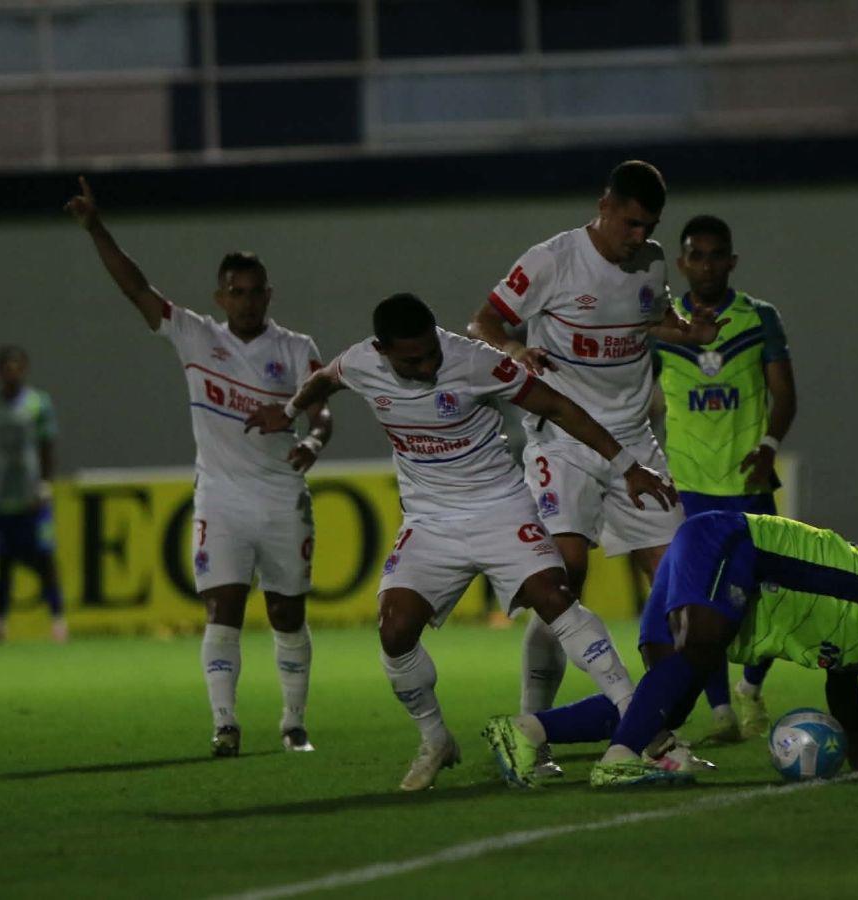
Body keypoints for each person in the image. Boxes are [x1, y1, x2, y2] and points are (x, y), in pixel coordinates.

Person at [245, 293, 677, 791]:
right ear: (382, 351)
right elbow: (325, 379)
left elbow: (555, 404)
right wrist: (291, 409)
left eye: (432, 352)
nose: (429, 365)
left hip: (500, 508)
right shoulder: (361, 362)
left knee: (556, 598)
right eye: (414, 360)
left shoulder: (474, 362)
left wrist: (627, 466)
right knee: (394, 630)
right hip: (430, 522)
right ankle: (436, 739)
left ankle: (641, 722)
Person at [467, 160, 720, 774]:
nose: (640, 236)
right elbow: (484, 321)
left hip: (634, 444)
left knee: (684, 593)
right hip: (565, 442)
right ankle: (535, 735)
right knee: (565, 578)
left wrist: (685, 333)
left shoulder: (653, 260)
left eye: (649, 226)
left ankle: (648, 728)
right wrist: (512, 349)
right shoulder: (552, 260)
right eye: (632, 223)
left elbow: (646, 319)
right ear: (605, 206)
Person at [65, 177, 332, 758]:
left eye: (256, 292)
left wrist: (310, 441)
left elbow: (324, 413)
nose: (247, 301)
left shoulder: (294, 348)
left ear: (269, 294)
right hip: (222, 497)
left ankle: (292, 722)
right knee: (224, 607)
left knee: (287, 612)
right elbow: (136, 288)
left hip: (283, 496)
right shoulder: (194, 335)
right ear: (220, 297)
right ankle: (225, 723)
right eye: (237, 292)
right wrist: (96, 228)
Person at [484, 511, 858, 787]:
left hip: (712, 554)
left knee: (667, 700)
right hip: (733, 544)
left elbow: (842, 683)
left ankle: (526, 732)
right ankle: (619, 762)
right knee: (699, 652)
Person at [655, 214, 798, 742]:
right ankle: (720, 712)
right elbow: (635, 400)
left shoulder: (760, 318)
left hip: (748, 484)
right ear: (682, 262)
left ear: (732, 262)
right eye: (698, 255)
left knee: (773, 594)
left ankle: (751, 687)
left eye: (718, 255)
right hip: (690, 486)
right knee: (699, 605)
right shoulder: (661, 327)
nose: (708, 264)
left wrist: (768, 447)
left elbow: (785, 395)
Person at [0, 345, 68, 643]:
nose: (11, 372)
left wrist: (45, 483)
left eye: (16, 366)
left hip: (32, 495)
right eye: (6, 366)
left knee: (44, 558)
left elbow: (47, 446)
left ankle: (57, 620)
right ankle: (0, 622)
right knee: (4, 560)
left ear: (24, 369)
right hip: (3, 495)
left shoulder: (37, 404)